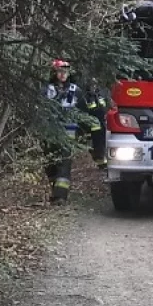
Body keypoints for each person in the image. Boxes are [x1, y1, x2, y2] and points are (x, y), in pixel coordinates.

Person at [43, 59, 108, 204]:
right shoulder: (46, 89)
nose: (63, 74)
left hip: (69, 132)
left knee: (64, 163)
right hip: (49, 133)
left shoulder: (75, 90)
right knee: (50, 164)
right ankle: (55, 191)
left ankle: (60, 197)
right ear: (54, 73)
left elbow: (85, 113)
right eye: (60, 71)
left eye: (65, 71)